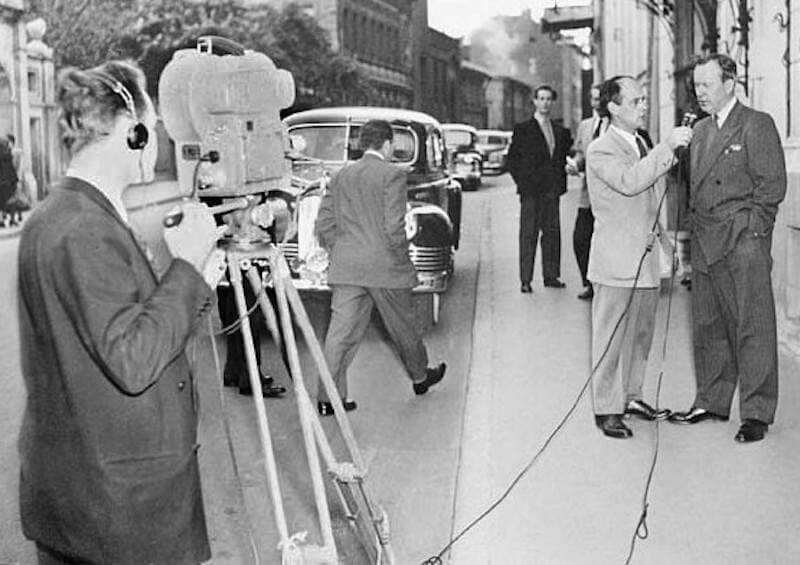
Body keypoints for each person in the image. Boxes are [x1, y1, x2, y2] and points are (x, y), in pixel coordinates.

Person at [17, 60, 224, 564]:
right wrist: (187, 270)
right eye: (151, 130)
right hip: (120, 509)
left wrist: (194, 284)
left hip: (82, 493)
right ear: (131, 133)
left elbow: (106, 336)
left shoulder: (57, 216)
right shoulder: (85, 229)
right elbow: (131, 360)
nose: (156, 141)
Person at [669, 54, 787, 443]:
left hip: (741, 241)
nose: (699, 92)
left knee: (752, 326)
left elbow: (772, 186)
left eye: (706, 84)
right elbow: (691, 188)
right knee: (708, 325)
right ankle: (712, 400)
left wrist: (753, 233)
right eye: (696, 85)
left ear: (730, 83)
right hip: (704, 240)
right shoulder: (699, 131)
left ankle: (756, 412)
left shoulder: (756, 124)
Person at [314, 119, 446, 416]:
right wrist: (401, 262)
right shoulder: (392, 175)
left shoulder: (340, 176)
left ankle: (329, 399)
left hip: (348, 267)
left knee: (340, 335)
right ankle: (420, 378)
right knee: (404, 328)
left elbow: (324, 224)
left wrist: (346, 250)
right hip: (385, 267)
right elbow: (393, 227)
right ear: (387, 144)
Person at [586, 75, 693, 439]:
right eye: (635, 101)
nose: (643, 105)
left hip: (646, 260)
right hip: (616, 261)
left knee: (640, 335)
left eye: (644, 99)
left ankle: (632, 396)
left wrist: (669, 250)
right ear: (613, 107)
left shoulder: (640, 142)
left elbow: (651, 203)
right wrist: (666, 148)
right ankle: (606, 408)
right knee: (610, 338)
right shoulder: (601, 149)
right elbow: (631, 183)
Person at [507, 85, 573, 293]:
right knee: (529, 235)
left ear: (552, 102)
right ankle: (525, 279)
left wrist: (560, 182)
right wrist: (523, 183)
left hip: (552, 191)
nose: (545, 103)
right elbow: (512, 160)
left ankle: (551, 275)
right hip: (531, 192)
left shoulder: (560, 131)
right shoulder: (523, 129)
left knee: (552, 234)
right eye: (541, 99)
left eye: (548, 99)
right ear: (534, 101)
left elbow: (561, 158)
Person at [566, 85, 606, 300]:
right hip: (587, 195)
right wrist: (575, 165)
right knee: (581, 239)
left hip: (610, 196)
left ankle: (605, 285)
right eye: (592, 98)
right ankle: (588, 282)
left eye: (599, 98)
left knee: (605, 242)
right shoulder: (585, 126)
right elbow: (581, 155)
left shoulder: (616, 126)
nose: (595, 103)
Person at [0, 132, 18, 227]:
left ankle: (2, 220)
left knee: (1, 201)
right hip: (10, 181)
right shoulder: (9, 154)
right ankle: (12, 219)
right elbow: (11, 169)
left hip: (2, 181)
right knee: (12, 200)